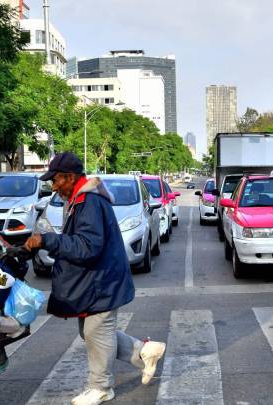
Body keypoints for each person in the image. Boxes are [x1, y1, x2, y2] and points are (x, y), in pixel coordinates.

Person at [24, 152, 166, 405]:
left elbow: (88, 246)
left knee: (95, 330)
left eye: (56, 181)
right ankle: (145, 352)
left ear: (70, 177)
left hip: (102, 282)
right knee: (92, 332)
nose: (54, 187)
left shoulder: (88, 202)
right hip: (97, 280)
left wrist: (48, 240)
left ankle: (100, 386)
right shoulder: (81, 199)